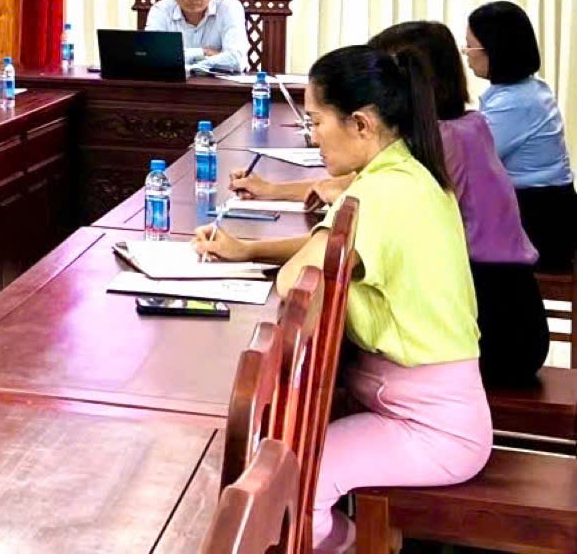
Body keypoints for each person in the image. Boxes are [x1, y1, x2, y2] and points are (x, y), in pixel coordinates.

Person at [196, 45, 490, 551]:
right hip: (415, 407)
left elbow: (298, 280)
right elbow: (331, 248)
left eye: (316, 121)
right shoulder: (400, 173)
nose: (312, 136)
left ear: (360, 124)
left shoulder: (381, 194)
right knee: (289, 467)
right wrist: (247, 249)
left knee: (293, 487)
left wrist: (258, 253)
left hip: (432, 427)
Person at [230, 20, 547, 384]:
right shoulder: (437, 142)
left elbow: (313, 264)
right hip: (493, 308)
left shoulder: (428, 155)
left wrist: (250, 249)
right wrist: (270, 199)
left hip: (500, 315)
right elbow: (340, 209)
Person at [465, 0, 576, 271]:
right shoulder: (529, 89)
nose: (466, 55)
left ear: (494, 50)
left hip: (540, 219)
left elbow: (472, 159)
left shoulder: (516, 102)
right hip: (543, 207)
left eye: (470, 47)